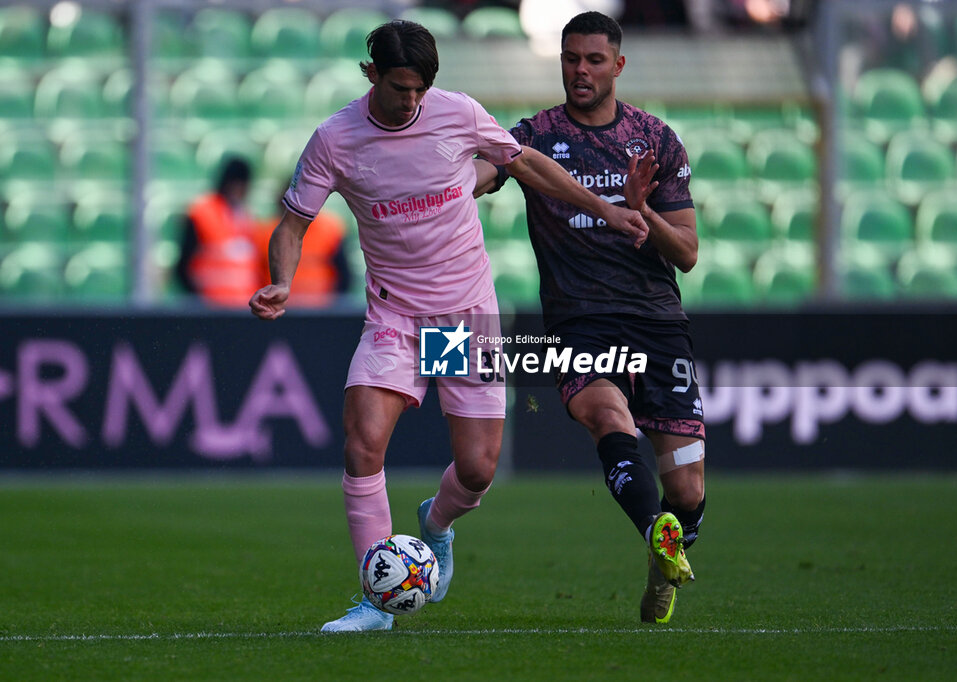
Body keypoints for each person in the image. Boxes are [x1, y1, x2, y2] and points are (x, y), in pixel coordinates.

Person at [248, 20, 647, 633]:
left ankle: (435, 524)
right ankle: (375, 602)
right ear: (371, 73)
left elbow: (528, 166)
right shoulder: (335, 139)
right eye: (400, 88)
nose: (411, 102)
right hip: (394, 315)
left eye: (420, 90)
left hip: (463, 315)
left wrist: (606, 211)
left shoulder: (457, 114)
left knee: (479, 469)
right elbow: (294, 226)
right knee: (362, 441)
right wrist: (283, 280)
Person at [479, 11, 705, 625]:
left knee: (688, 491)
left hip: (657, 322)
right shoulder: (536, 136)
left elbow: (685, 253)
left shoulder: (654, 139)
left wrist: (641, 211)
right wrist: (449, 183)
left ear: (618, 65)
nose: (581, 70)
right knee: (605, 413)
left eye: (594, 60)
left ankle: (667, 553)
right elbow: (486, 171)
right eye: (571, 58)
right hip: (580, 321)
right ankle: (655, 530)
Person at [176, 157, 261, 307]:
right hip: (210, 307)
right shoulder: (202, 212)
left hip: (242, 307)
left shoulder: (245, 216)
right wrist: (198, 299)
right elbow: (183, 266)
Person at [253, 182, 352, 307]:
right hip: (279, 310)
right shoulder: (267, 231)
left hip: (320, 310)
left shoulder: (330, 229)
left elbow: (344, 274)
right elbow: (257, 273)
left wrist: (334, 306)